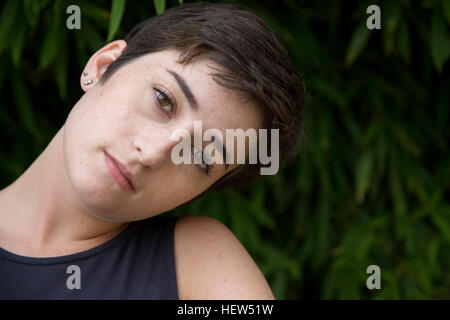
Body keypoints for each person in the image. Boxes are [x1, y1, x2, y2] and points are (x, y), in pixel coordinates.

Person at [0, 2, 305, 299]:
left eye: (200, 157)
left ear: (204, 191)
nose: (153, 154)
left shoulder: (196, 264)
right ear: (103, 65)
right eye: (164, 100)